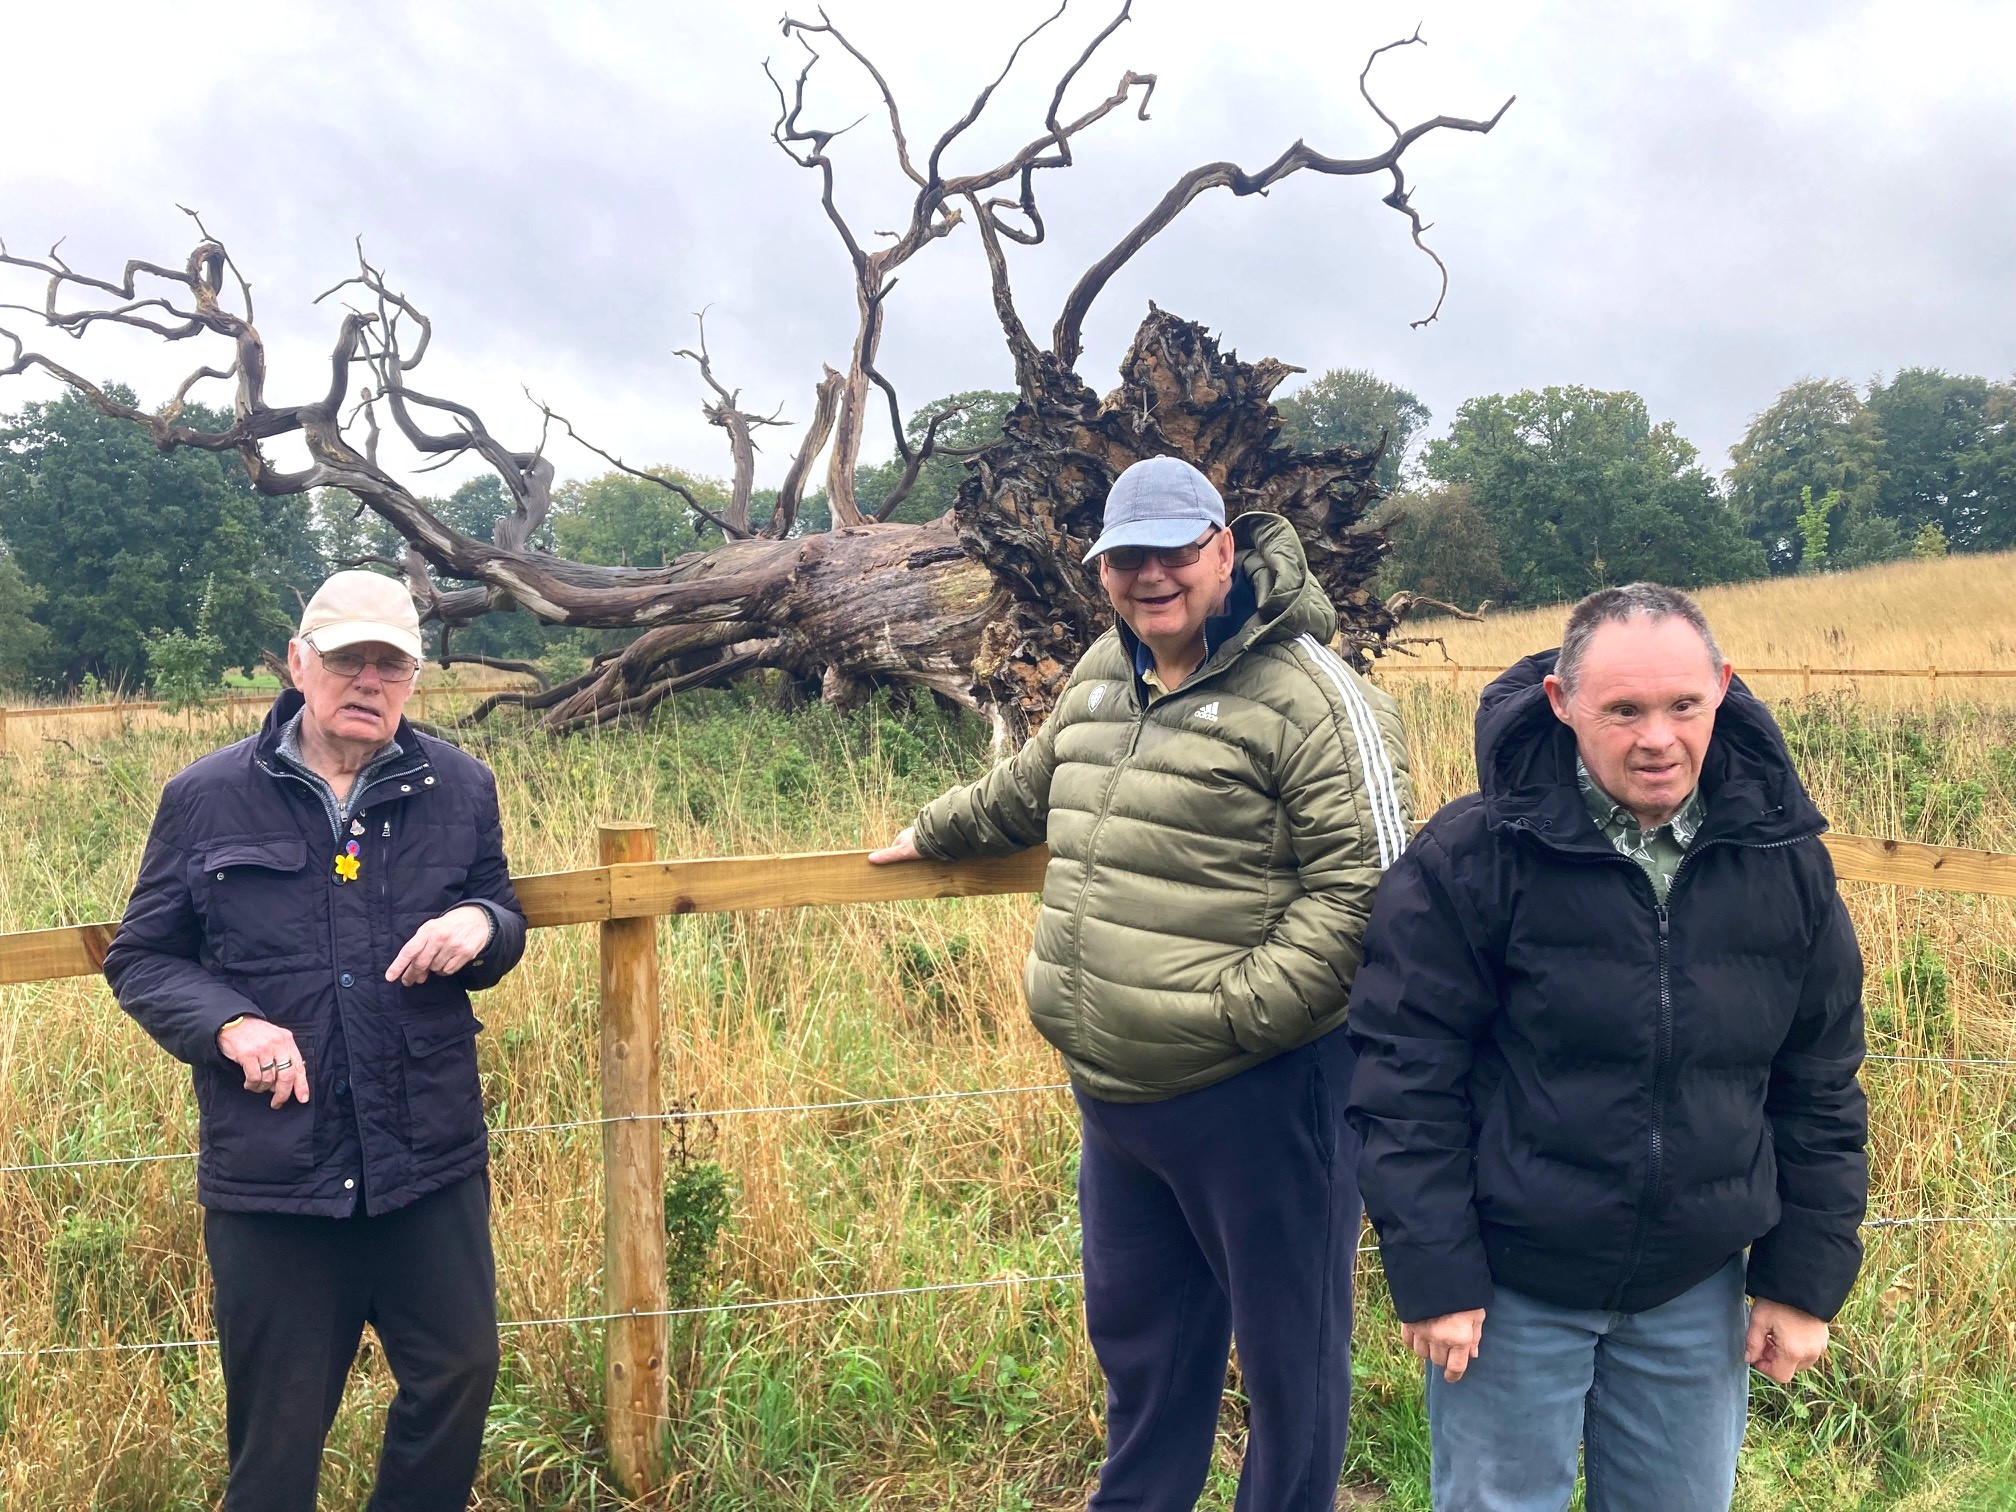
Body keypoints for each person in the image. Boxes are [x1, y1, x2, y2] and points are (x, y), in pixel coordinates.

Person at [870, 456, 1411, 1510]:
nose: (1148, 576)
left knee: (1289, 1358)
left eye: (1172, 550)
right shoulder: (1104, 670)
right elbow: (1035, 787)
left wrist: (1231, 1016)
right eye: (1125, 557)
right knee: (1146, 1346)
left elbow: (1372, 898)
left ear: (1225, 548)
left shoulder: (1312, 694)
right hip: (1115, 1095)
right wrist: (932, 832)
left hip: (1262, 1091)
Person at [1346, 582, 1868, 1512]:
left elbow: (1819, 1080)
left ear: (1723, 691)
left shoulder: (1784, 861)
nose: (1657, 738)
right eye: (1622, 710)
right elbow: (1404, 1073)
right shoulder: (1473, 857)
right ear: (1561, 703)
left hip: (1692, 1283)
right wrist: (1436, 1271)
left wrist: (1804, 1281)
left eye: (1682, 707)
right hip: (1511, 1288)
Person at [103, 570, 527, 1512]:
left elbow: (500, 906)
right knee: (279, 1433)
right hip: (277, 1167)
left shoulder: (459, 785)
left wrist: (482, 927)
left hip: (425, 1154)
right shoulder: (207, 797)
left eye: (392, 665)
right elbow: (142, 958)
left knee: (458, 1373)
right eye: (348, 660)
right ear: (299, 663)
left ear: (414, 678)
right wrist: (231, 1023)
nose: (369, 682)